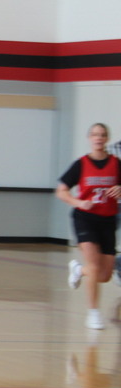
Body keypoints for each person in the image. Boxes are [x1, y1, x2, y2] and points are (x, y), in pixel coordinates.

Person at [56, 122, 121, 330]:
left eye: (102, 135)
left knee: (104, 275)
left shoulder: (116, 163)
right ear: (89, 138)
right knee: (94, 265)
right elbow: (61, 190)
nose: (98, 138)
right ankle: (93, 313)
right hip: (85, 218)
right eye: (94, 134)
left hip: (108, 220)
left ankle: (78, 270)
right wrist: (78, 202)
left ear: (107, 138)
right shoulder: (81, 164)